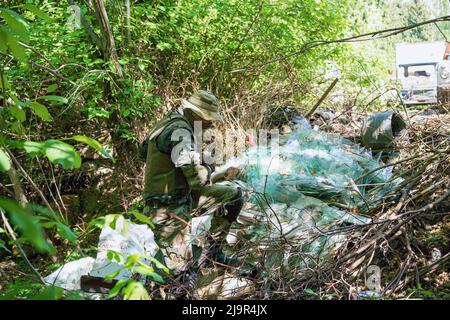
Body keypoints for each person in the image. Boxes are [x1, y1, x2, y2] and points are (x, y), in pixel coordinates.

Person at [142, 90, 245, 273]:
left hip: (183, 197)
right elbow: (198, 179)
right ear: (195, 113)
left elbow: (143, 153)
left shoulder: (169, 122)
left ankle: (213, 253)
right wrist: (211, 166)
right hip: (166, 209)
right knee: (182, 273)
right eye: (207, 118)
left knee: (232, 196)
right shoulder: (179, 131)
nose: (210, 123)